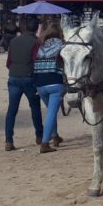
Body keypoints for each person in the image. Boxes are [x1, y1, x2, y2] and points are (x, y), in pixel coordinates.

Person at [5, 17, 44, 151]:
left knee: (12, 109)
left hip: (14, 76)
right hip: (29, 78)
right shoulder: (36, 42)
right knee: (35, 107)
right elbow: (36, 61)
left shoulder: (14, 41)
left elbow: (8, 62)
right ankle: (39, 136)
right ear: (37, 28)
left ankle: (8, 140)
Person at [34, 23, 65, 153]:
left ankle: (55, 136)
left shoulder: (40, 47)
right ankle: (45, 143)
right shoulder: (63, 46)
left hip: (40, 84)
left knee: (51, 112)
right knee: (51, 113)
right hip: (55, 83)